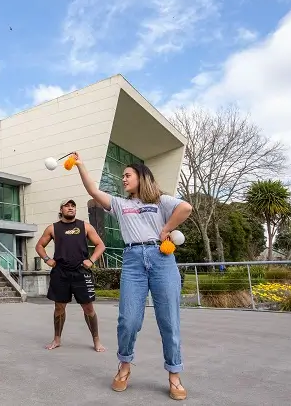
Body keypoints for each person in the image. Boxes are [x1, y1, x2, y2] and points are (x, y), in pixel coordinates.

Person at [71, 152, 193, 401]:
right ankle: (124, 366)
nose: (123, 179)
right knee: (128, 320)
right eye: (123, 176)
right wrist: (81, 165)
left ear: (141, 177)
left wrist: (166, 229)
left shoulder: (161, 201)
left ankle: (174, 375)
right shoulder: (120, 204)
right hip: (133, 260)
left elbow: (186, 208)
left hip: (162, 259)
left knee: (169, 320)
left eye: (127, 175)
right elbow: (94, 191)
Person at [35, 199, 107, 353]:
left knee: (88, 307)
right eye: (67, 206)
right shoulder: (53, 228)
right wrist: (48, 259)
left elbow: (100, 245)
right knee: (59, 307)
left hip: (81, 271)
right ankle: (57, 339)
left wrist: (91, 260)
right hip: (60, 272)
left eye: (73, 206)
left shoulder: (85, 226)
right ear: (61, 209)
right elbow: (39, 246)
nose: (70, 208)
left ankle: (96, 340)